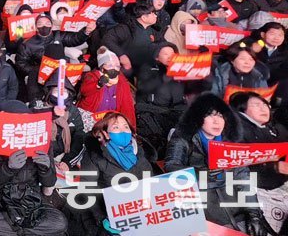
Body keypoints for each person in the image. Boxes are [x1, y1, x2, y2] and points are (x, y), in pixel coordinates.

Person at [164, 93, 266, 235]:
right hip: (203, 204)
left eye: (220, 116)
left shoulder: (230, 139)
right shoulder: (182, 136)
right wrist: (199, 173)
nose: (217, 121)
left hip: (232, 201)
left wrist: (254, 213)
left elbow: (243, 177)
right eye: (210, 115)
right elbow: (170, 167)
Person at [0, 100, 67, 236]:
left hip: (29, 196)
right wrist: (8, 167)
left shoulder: (43, 140)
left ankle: (14, 231)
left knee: (60, 222)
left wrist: (45, 168)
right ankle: (25, 230)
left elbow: (49, 182)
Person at [76, 112, 153, 234]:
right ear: (106, 133)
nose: (123, 131)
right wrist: (101, 218)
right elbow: (87, 189)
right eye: (116, 127)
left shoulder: (140, 153)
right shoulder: (95, 155)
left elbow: (150, 185)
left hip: (138, 215)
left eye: (126, 127)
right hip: (105, 215)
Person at [231, 91, 288, 234]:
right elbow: (237, 169)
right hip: (259, 191)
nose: (264, 108)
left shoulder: (276, 129)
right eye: (256, 105)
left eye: (265, 104)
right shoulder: (236, 132)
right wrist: (274, 167)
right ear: (242, 110)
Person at [78, 47, 137, 129]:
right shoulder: (92, 76)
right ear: (102, 67)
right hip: (91, 117)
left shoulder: (122, 82)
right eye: (110, 65)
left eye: (117, 66)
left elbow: (128, 107)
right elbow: (84, 91)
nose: (114, 68)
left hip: (110, 121)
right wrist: (98, 84)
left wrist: (132, 127)